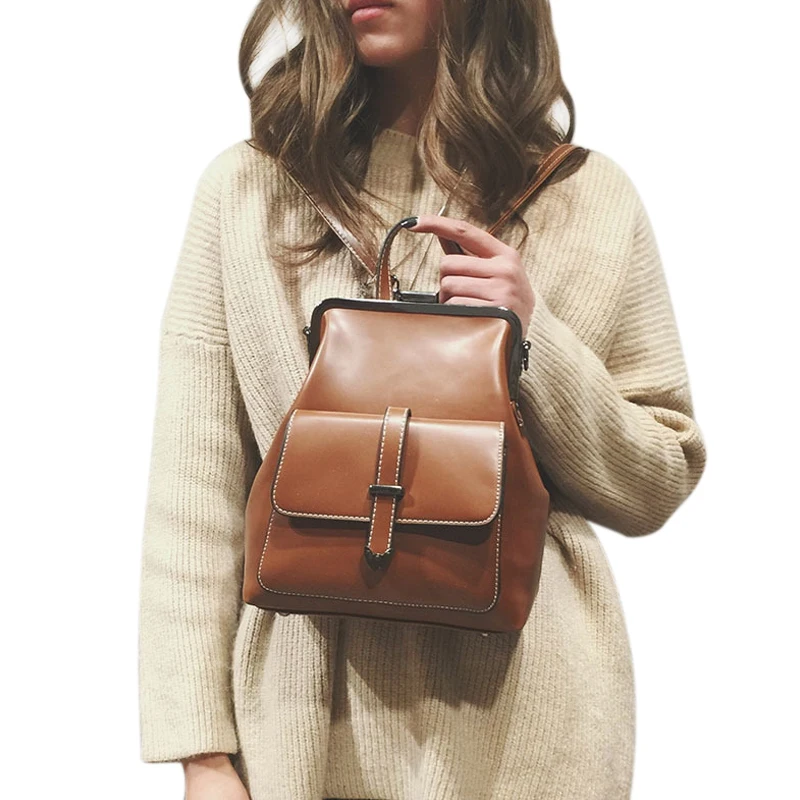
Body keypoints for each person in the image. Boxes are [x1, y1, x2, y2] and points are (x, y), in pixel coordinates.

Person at [137, 1, 708, 798]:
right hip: (301, 727)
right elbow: (194, 493)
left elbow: (655, 483)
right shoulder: (248, 189)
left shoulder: (588, 197)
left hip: (528, 731)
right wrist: (202, 755)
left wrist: (534, 338)